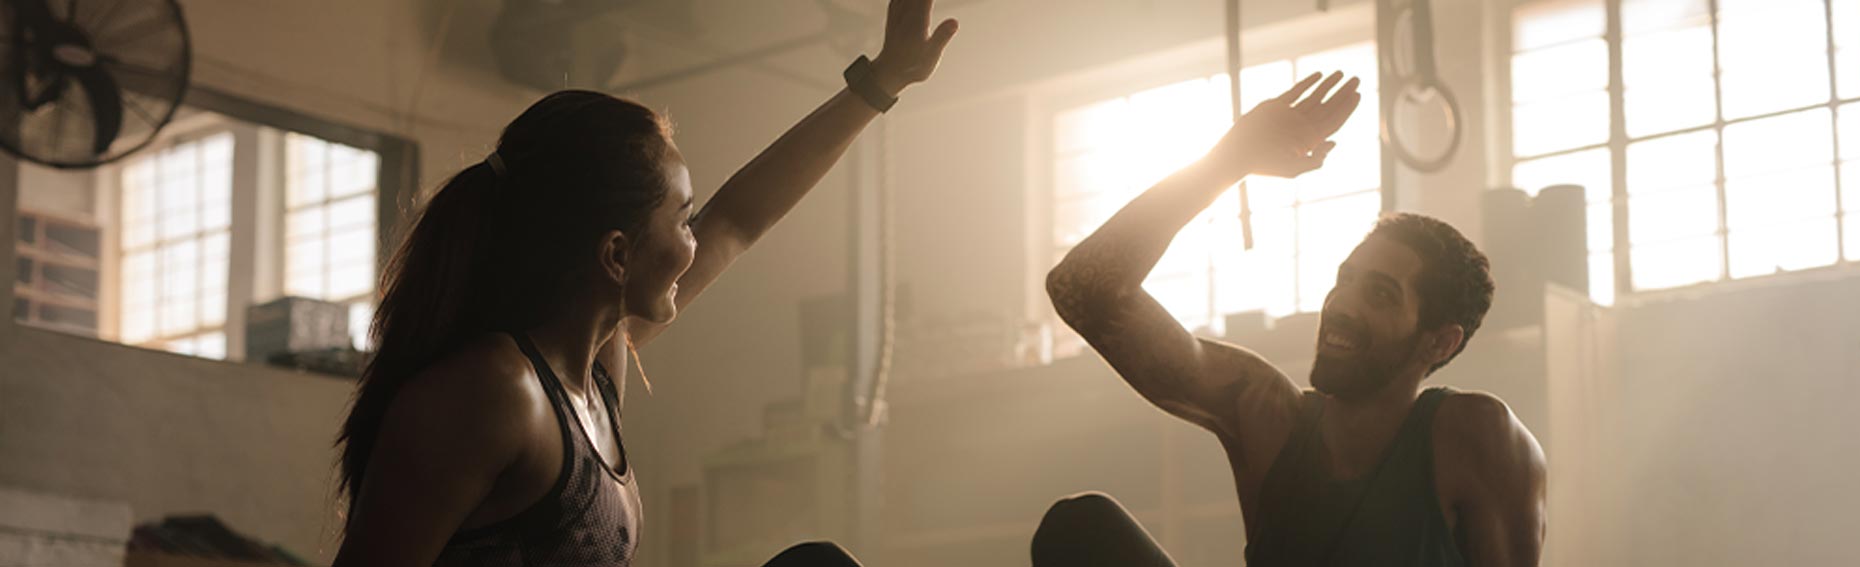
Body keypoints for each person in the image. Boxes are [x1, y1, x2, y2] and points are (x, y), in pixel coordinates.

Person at [329, 1, 959, 565]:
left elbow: (738, 221)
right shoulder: (496, 393)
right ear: (616, 256)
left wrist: (880, 84)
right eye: (683, 222)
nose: (695, 242)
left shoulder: (594, 371)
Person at [1040, 71, 1546, 567]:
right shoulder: (1268, 416)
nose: (1342, 304)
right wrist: (1227, 161)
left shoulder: (1475, 436)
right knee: (1081, 526)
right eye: (1345, 279)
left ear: (1438, 343)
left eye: (1380, 295)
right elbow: (1080, 289)